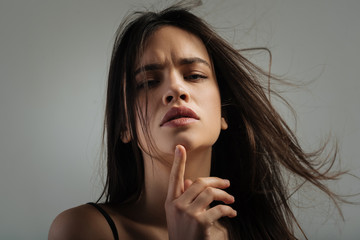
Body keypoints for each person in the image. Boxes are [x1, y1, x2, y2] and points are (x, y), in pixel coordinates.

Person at [48, 1, 344, 239]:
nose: (176, 89)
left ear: (224, 112)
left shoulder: (264, 232)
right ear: (124, 126)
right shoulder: (83, 230)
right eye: (149, 81)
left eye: (194, 76)